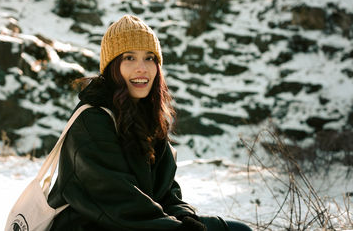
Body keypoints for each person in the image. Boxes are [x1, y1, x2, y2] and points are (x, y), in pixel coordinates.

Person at [47, 15, 252, 231]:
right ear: (111, 67)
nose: (142, 68)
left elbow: (167, 195)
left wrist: (188, 220)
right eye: (129, 58)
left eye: (149, 58)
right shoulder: (92, 120)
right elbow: (119, 204)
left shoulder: (150, 120)